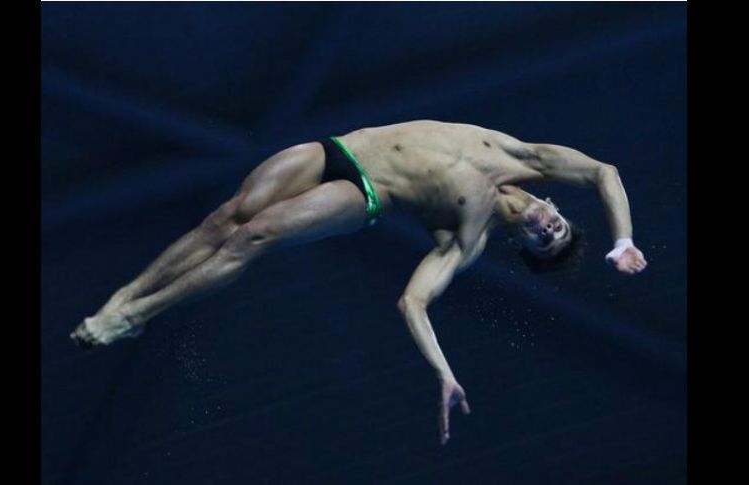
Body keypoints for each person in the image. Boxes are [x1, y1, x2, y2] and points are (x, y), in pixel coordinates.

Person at [70, 119, 647, 445]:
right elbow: (605, 172)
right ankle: (126, 297)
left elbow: (413, 302)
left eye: (544, 241)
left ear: (523, 244)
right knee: (226, 218)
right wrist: (622, 240)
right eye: (557, 225)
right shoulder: (527, 155)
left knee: (254, 235)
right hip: (340, 149)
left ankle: (135, 316)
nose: (547, 228)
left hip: (363, 192)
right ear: (553, 204)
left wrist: (443, 373)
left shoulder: (467, 239)